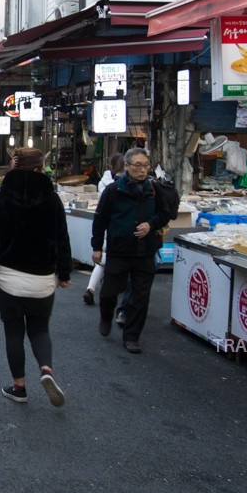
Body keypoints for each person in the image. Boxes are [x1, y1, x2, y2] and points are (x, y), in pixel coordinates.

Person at [0, 147, 72, 406]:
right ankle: (46, 370)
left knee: (14, 333)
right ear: (41, 167)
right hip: (43, 279)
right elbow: (62, 237)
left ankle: (19, 387)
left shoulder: (2, 198)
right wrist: (64, 272)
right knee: (39, 329)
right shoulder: (52, 200)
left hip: (9, 277)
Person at [91, 148, 169, 354]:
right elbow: (100, 219)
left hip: (145, 252)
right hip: (118, 250)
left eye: (145, 165)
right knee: (108, 293)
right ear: (126, 166)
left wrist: (150, 225)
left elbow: (165, 214)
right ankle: (106, 316)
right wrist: (97, 247)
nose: (143, 170)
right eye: (138, 165)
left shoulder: (154, 190)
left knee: (140, 297)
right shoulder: (113, 190)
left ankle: (132, 336)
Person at [83, 153, 124, 305]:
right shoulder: (121, 183)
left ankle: (91, 289)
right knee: (114, 262)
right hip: (116, 226)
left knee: (102, 261)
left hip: (105, 224)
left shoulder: (103, 181)